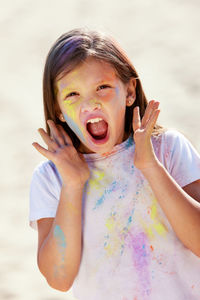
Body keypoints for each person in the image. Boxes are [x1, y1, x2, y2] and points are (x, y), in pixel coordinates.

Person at [29, 28, 200, 300]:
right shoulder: (52, 177)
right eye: (73, 94)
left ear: (130, 91)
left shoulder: (167, 148)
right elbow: (59, 278)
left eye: (102, 87)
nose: (90, 104)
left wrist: (150, 167)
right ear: (58, 109)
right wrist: (73, 184)